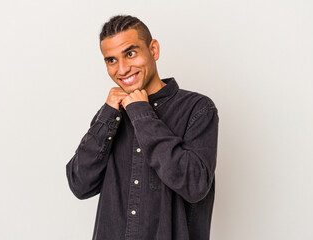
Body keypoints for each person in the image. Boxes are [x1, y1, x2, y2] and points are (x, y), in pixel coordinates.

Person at [66, 15, 219, 240]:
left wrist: (141, 113)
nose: (122, 69)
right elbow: (80, 185)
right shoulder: (110, 115)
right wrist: (107, 116)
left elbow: (195, 185)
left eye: (130, 53)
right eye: (111, 60)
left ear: (153, 50)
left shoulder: (198, 109)